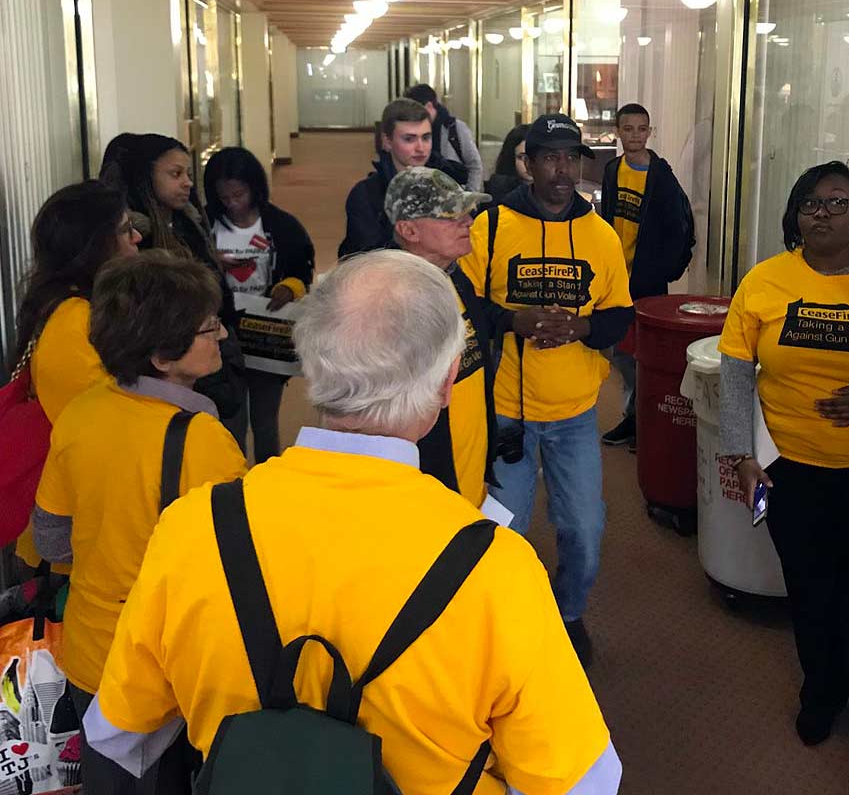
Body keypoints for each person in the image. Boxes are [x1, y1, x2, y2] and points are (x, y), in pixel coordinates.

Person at [84, 251, 622, 795]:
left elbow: (120, 735)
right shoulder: (496, 567)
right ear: (447, 380)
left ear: (311, 366)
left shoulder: (193, 527)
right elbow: (582, 783)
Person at [717, 160, 849, 746]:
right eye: (811, 203)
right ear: (794, 217)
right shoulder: (765, 282)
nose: (823, 213)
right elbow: (735, 374)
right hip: (790, 470)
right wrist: (741, 454)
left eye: (838, 202)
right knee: (809, 591)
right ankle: (822, 691)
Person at [33, 249, 246, 793]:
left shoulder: (81, 412)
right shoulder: (203, 442)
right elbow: (235, 566)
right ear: (161, 355)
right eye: (208, 327)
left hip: (89, 652)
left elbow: (51, 536)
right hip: (163, 668)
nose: (220, 335)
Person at [460, 113, 634, 667]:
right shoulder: (488, 228)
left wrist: (579, 327)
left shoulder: (600, 236)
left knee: (583, 528)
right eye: (550, 159)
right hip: (505, 410)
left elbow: (619, 317)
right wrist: (515, 320)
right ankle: (494, 628)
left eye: (571, 159)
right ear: (528, 164)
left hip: (576, 413)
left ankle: (567, 613)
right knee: (495, 531)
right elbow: (466, 309)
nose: (562, 171)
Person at [9, 180, 142, 572]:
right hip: (74, 547)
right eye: (124, 229)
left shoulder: (87, 310)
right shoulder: (73, 325)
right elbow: (112, 433)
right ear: (93, 244)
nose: (136, 237)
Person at [99, 133, 247, 430]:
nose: (187, 183)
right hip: (176, 374)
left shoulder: (187, 222)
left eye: (189, 174)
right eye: (175, 174)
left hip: (214, 350)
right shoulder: (136, 244)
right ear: (144, 178)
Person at [384, 166, 495, 507]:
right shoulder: (395, 303)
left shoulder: (456, 278)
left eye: (466, 211)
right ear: (408, 229)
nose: (468, 221)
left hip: (471, 474)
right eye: (451, 215)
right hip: (431, 489)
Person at [203, 146, 315, 462]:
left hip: (266, 331)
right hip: (221, 334)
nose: (233, 203)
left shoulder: (282, 226)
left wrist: (289, 288)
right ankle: (233, 479)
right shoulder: (204, 226)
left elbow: (301, 268)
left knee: (265, 420)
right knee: (230, 419)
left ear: (254, 187)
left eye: (239, 194)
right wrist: (214, 265)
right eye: (224, 197)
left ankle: (267, 477)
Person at [599, 103, 696, 450]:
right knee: (622, 351)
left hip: (648, 279)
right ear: (618, 131)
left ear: (650, 132)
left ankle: (644, 421)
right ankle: (632, 416)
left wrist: (669, 267)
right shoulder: (612, 170)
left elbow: (680, 224)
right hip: (617, 277)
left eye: (642, 129)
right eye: (628, 129)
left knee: (645, 351)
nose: (635, 136)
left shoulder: (661, 175)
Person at [339, 98, 467, 257]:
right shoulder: (366, 195)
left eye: (426, 137)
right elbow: (366, 257)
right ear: (387, 142)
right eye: (409, 139)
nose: (421, 148)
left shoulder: (450, 184)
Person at [405, 84, 485, 192]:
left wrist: (471, 198)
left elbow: (474, 165)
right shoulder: (412, 130)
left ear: (429, 106)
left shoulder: (455, 128)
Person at [484, 123, 532, 202]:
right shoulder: (498, 187)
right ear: (511, 158)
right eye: (522, 157)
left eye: (534, 157)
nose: (528, 164)